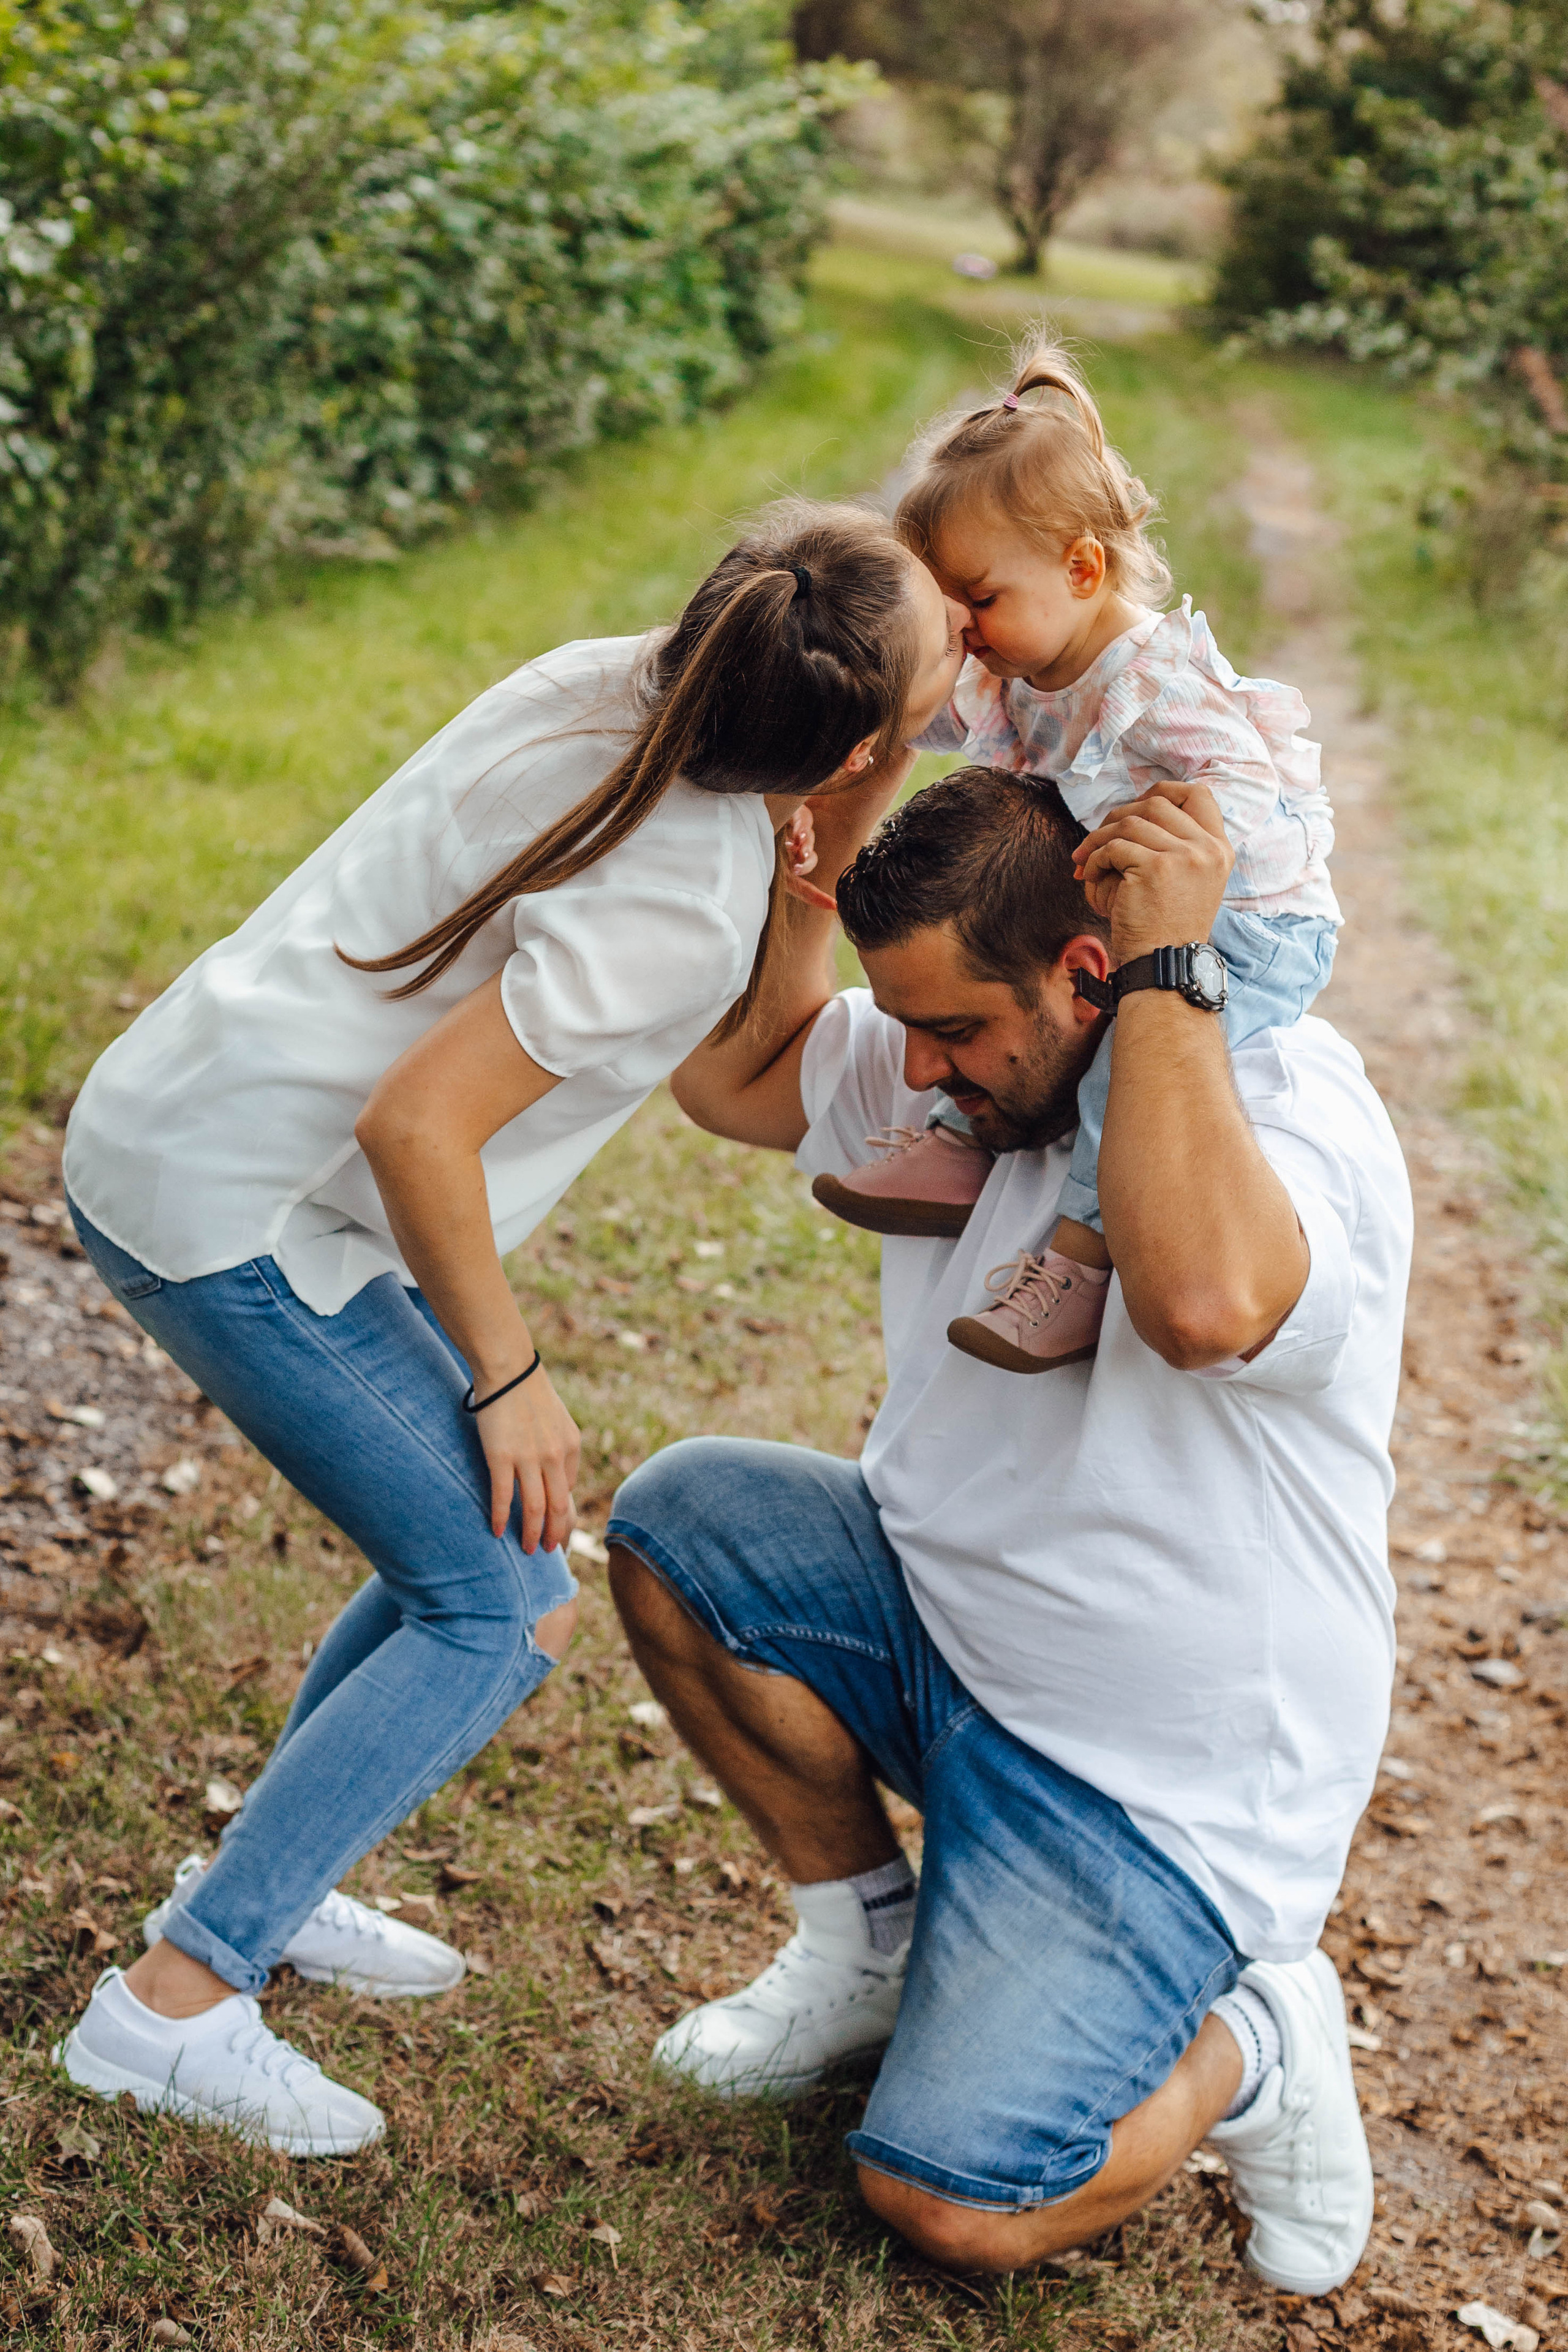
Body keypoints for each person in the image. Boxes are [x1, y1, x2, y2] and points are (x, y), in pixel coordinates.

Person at [52, 500, 969, 2156]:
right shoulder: (673, 901)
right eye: (938, 672)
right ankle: (175, 2004)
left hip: (202, 1116)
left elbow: (731, 1033)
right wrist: (510, 1373)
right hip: (238, 1212)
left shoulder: (624, 687)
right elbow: (425, 1128)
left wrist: (832, 831)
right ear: (844, 734)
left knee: (454, 1570)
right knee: (508, 1605)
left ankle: (268, 1870)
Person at [608, 765, 1411, 2293]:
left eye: (952, 1031)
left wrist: (1174, 973)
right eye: (902, 1025)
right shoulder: (977, 1077)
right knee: (687, 1524)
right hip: (944, 1643)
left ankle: (1259, 2046)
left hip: (1143, 1792)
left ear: (1090, 973)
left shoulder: (1288, 1107)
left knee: (961, 2201)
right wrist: (811, 876)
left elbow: (1202, 1303)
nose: (914, 1072)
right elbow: (731, 1079)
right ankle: (864, 1948)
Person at [814, 341, 1340, 1379]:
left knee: (1120, 1068)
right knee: (1002, 989)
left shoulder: (1154, 681)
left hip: (1250, 922)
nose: (966, 635)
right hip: (1145, 901)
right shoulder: (1024, 664)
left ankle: (1078, 1267)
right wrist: (824, 768)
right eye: (952, 617)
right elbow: (926, 716)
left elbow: (1232, 812)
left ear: (1083, 567)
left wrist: (1152, 868)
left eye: (978, 602)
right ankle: (963, 1152)